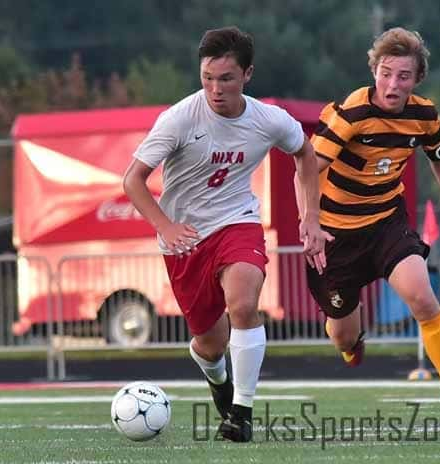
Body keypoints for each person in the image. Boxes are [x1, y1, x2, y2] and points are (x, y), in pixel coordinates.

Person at [123, 26, 327, 442]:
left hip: (238, 222)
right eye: (208, 78)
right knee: (210, 345)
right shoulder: (179, 118)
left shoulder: (269, 120)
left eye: (227, 79)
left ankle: (242, 412)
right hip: (185, 239)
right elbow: (133, 181)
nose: (216, 89)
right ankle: (220, 383)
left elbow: (305, 154)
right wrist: (165, 225)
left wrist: (311, 217)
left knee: (244, 303)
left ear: (248, 74)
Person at [295, 27, 440, 432]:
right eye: (385, 73)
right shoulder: (353, 112)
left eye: (402, 76)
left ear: (417, 79)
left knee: (423, 299)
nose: (392, 84)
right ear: (374, 71)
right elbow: (307, 166)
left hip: (386, 223)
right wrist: (309, 221)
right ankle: (351, 340)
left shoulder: (424, 115)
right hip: (335, 235)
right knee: (343, 336)